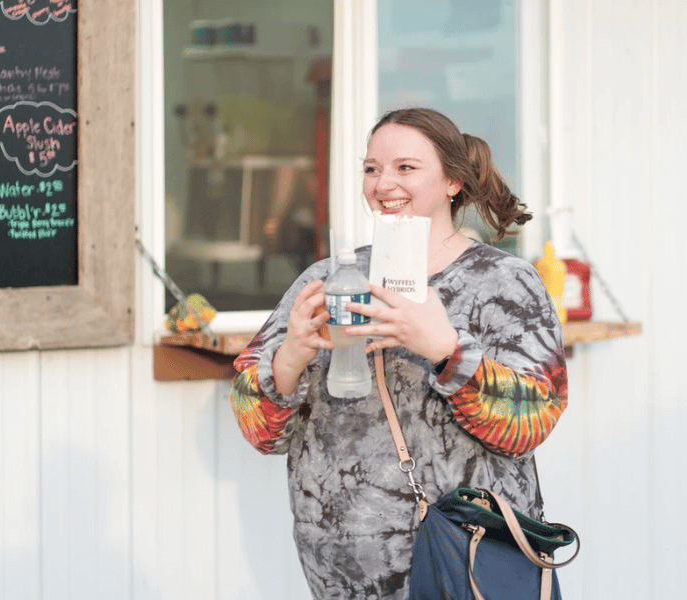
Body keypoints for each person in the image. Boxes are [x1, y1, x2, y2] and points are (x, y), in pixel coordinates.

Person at [230, 107, 568, 599]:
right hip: (343, 570)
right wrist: (289, 358)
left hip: (467, 560)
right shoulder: (327, 279)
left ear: (452, 180)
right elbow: (257, 427)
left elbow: (533, 416)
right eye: (372, 169)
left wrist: (447, 352)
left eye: (405, 168)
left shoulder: (504, 282)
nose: (383, 183)